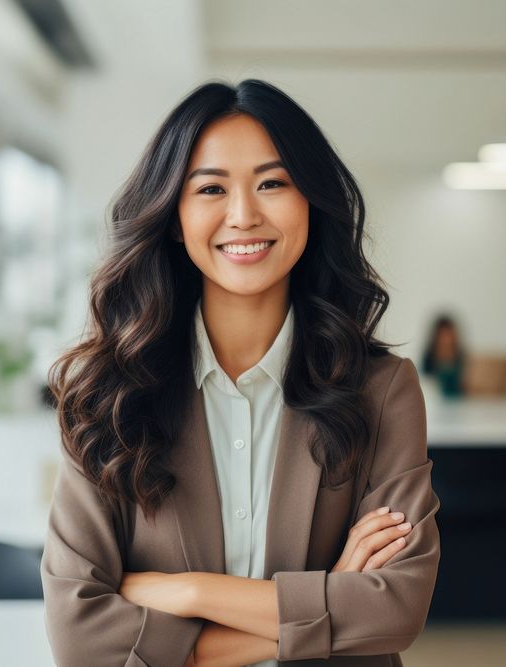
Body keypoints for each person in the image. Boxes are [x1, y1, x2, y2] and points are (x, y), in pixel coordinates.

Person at [41, 79, 441, 666]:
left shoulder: (382, 390)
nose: (244, 215)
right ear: (175, 217)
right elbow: (79, 638)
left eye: (273, 183)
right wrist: (330, 597)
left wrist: (190, 592)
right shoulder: (107, 394)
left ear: (310, 201)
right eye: (210, 188)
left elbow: (397, 608)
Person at [420, 313, 466, 398]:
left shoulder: (461, 359)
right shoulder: (428, 360)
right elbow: (426, 384)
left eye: (448, 336)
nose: (446, 341)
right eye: (443, 337)